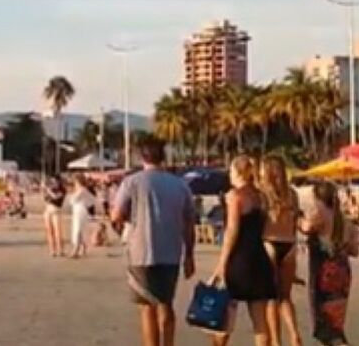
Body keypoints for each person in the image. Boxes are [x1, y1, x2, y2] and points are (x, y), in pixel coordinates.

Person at [111, 136, 196, 346]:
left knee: (147, 307)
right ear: (163, 156)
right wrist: (190, 255)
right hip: (170, 252)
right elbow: (189, 223)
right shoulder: (179, 185)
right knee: (166, 304)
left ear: (142, 156)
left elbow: (116, 216)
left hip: (140, 252)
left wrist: (122, 231)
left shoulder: (131, 182)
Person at [210, 156, 276, 346]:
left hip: (239, 261)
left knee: (224, 318)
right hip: (258, 258)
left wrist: (221, 265)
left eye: (231, 170)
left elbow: (232, 230)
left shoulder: (235, 196)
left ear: (238, 172)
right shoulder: (260, 196)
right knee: (260, 323)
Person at [301, 182, 359, 346]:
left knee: (325, 326)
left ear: (318, 199)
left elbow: (305, 227)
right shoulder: (346, 222)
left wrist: (296, 218)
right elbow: (355, 251)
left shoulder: (318, 219)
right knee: (335, 324)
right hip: (342, 273)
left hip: (323, 274)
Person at [261, 155, 303, 346]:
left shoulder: (262, 193)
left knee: (270, 298)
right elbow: (295, 223)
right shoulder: (292, 194)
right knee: (285, 297)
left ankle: (276, 342)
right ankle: (294, 335)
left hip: (269, 243)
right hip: (290, 245)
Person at [69, 174, 97, 258]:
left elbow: (72, 200)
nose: (74, 183)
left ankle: (76, 249)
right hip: (78, 210)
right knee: (80, 230)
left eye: (75, 181)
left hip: (80, 211)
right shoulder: (80, 190)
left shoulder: (82, 190)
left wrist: (85, 204)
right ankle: (83, 248)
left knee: (78, 229)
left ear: (78, 181)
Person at [42, 174, 67, 257]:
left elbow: (56, 197)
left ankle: (61, 250)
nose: (53, 183)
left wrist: (48, 190)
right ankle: (52, 250)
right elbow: (45, 199)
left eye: (55, 181)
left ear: (59, 181)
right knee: (49, 231)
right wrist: (44, 191)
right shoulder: (51, 189)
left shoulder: (63, 190)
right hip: (47, 210)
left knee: (57, 231)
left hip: (56, 210)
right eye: (52, 181)